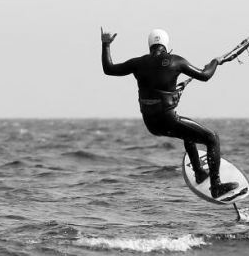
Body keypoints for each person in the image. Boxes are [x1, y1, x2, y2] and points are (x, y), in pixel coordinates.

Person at [101, 27, 239, 198]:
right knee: (212, 138)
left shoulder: (138, 63)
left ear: (150, 44)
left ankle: (199, 172)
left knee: (188, 134)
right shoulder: (176, 61)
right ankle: (216, 185)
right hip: (168, 120)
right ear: (166, 44)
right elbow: (205, 75)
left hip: (151, 124)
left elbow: (109, 69)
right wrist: (215, 62)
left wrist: (106, 44)